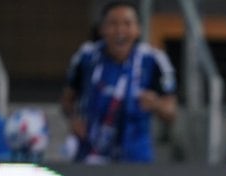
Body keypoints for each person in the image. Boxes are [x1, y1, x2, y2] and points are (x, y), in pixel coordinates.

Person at [60, 1, 176, 164]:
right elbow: (67, 99)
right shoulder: (86, 56)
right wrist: (73, 120)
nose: (120, 30)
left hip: (136, 159)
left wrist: (155, 104)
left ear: (138, 30)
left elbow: (171, 113)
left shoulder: (153, 60)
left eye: (127, 24)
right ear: (102, 29)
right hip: (90, 155)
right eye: (113, 24)